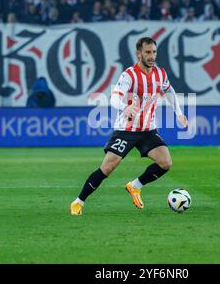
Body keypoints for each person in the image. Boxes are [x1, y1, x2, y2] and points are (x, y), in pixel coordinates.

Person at [70, 37, 188, 215]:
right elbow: (115, 97)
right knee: (107, 168)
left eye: (154, 52)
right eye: (147, 52)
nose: (151, 56)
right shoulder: (129, 75)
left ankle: (135, 186)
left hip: (148, 130)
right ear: (138, 53)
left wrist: (178, 112)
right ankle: (78, 202)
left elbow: (169, 90)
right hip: (126, 131)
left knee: (165, 163)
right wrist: (126, 106)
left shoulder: (160, 73)